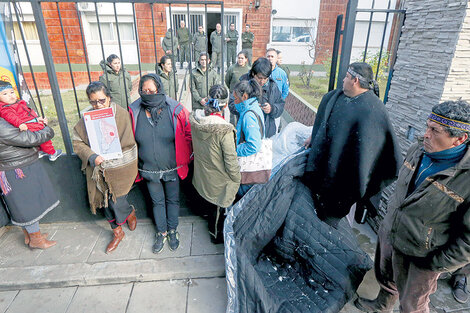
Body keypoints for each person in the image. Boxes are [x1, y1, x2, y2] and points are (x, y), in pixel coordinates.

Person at [355, 100, 470, 313]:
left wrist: (437, 263)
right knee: (387, 280)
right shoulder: (418, 149)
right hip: (392, 233)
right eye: (427, 126)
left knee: (413, 305)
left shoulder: (466, 178)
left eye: (435, 131)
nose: (426, 134)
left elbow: (468, 240)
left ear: (459, 139)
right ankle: (382, 306)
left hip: (423, 255)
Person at [303, 62, 401, 227]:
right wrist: (315, 136)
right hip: (328, 170)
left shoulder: (373, 110)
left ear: (355, 80)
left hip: (348, 179)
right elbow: (324, 120)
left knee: (339, 223)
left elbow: (379, 152)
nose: (343, 80)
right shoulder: (337, 98)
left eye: (346, 77)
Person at [129, 74, 192, 254]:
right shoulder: (134, 111)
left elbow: (188, 133)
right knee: (157, 202)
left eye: (152, 90)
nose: (148, 93)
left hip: (172, 167)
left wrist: (186, 157)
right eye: (144, 91)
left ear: (159, 89)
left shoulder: (175, 109)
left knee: (172, 200)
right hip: (149, 169)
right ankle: (161, 232)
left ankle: (173, 231)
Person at [73, 81, 138, 254]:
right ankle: (117, 232)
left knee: (117, 203)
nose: (98, 105)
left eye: (101, 100)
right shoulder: (87, 118)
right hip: (98, 171)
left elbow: (131, 143)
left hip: (120, 169)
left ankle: (129, 213)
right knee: (105, 204)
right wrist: (93, 157)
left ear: (109, 98)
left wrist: (113, 156)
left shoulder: (122, 115)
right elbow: (77, 142)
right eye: (93, 102)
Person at [0, 107, 58, 249]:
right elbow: (28, 138)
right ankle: (36, 240)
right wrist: (46, 129)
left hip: (13, 165)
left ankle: (30, 236)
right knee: (27, 205)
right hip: (15, 168)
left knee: (24, 203)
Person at [190, 85, 240, 243]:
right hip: (218, 179)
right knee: (218, 208)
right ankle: (216, 236)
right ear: (225, 105)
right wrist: (236, 178)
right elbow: (231, 161)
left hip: (202, 173)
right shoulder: (224, 130)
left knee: (209, 204)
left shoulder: (196, 119)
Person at [0, 81, 62, 161]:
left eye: (12, 92)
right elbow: (11, 117)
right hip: (25, 126)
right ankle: (52, 152)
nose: (10, 95)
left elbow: (27, 115)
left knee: (39, 131)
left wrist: (36, 119)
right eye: (5, 94)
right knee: (41, 133)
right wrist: (20, 124)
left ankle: (41, 151)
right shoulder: (6, 108)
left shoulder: (17, 104)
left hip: (29, 123)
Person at [229, 57, 285, 138]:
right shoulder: (243, 83)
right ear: (253, 74)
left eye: (265, 78)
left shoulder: (273, 86)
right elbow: (231, 104)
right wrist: (248, 107)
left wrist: (271, 109)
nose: (262, 81)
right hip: (246, 132)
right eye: (259, 78)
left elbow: (280, 105)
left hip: (267, 133)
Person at [232, 79, 264, 196]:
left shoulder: (248, 116)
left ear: (244, 96)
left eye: (236, 99)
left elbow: (254, 145)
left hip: (248, 169)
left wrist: (233, 150)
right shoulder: (254, 107)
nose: (234, 102)